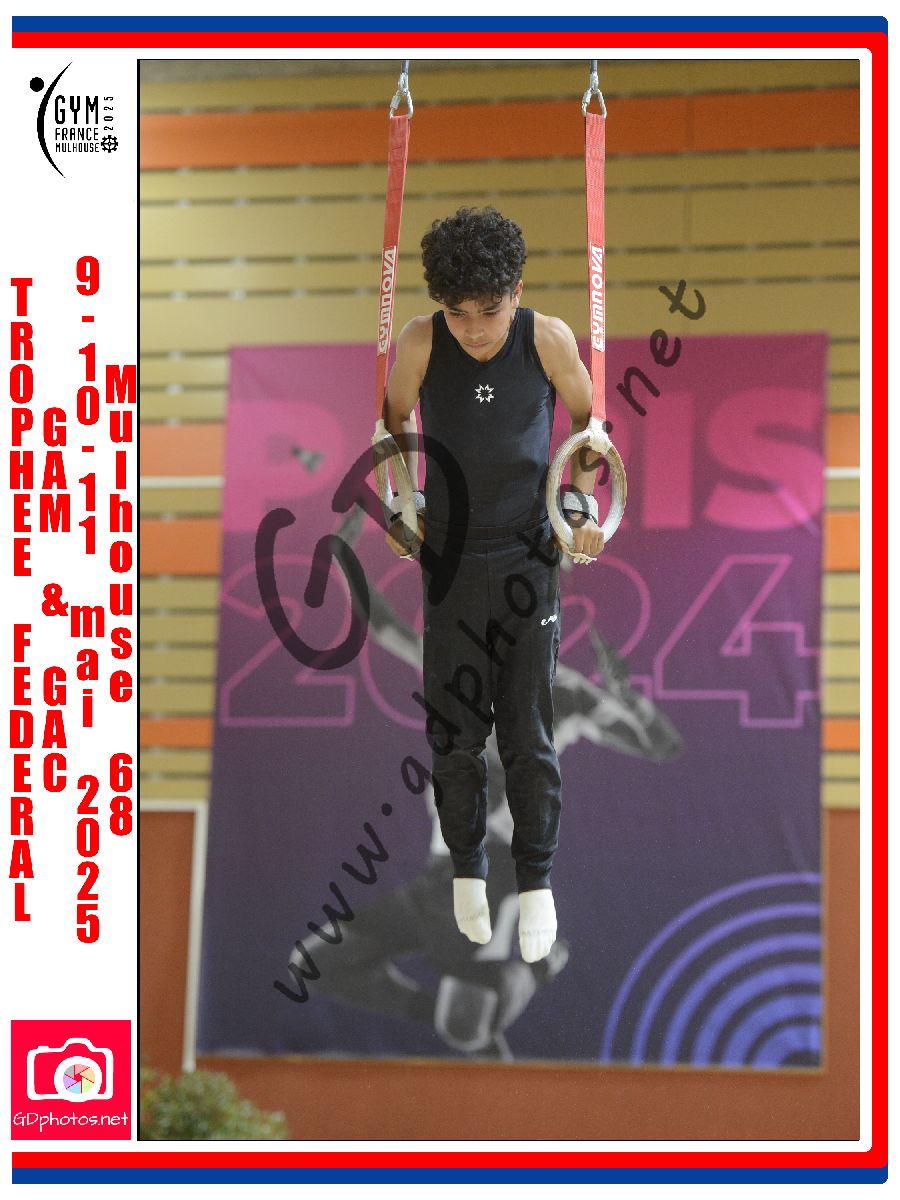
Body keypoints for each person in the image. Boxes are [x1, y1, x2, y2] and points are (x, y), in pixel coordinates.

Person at [384, 206, 603, 963]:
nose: (474, 330)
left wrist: (579, 505)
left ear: (518, 291)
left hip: (527, 555)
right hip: (448, 556)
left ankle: (536, 880)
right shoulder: (420, 341)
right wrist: (402, 499)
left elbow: (589, 426)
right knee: (454, 734)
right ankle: (467, 869)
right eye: (458, 313)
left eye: (489, 310)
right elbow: (392, 423)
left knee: (526, 732)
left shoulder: (548, 339)